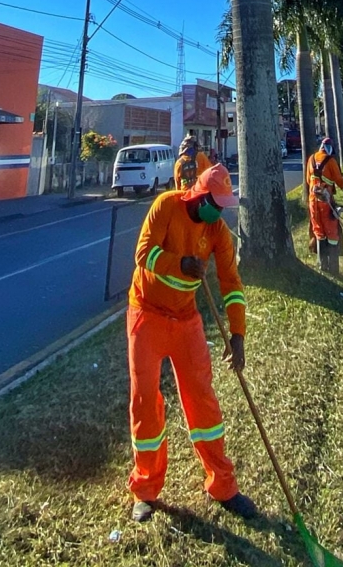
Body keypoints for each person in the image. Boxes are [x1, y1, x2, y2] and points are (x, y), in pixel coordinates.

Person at [126, 163, 255, 524]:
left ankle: (223, 486)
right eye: (215, 204)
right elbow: (143, 254)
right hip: (147, 315)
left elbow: (231, 283)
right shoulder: (166, 206)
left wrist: (238, 334)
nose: (219, 211)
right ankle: (146, 489)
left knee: (202, 399)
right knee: (144, 399)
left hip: (186, 320)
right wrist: (179, 263)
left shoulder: (218, 231)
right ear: (198, 196)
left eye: (224, 205)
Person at [306, 136, 343, 273]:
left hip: (313, 202)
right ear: (330, 149)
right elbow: (341, 183)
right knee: (332, 234)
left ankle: (322, 266)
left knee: (318, 231)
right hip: (327, 203)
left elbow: (308, 181)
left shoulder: (311, 159)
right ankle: (334, 268)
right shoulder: (331, 161)